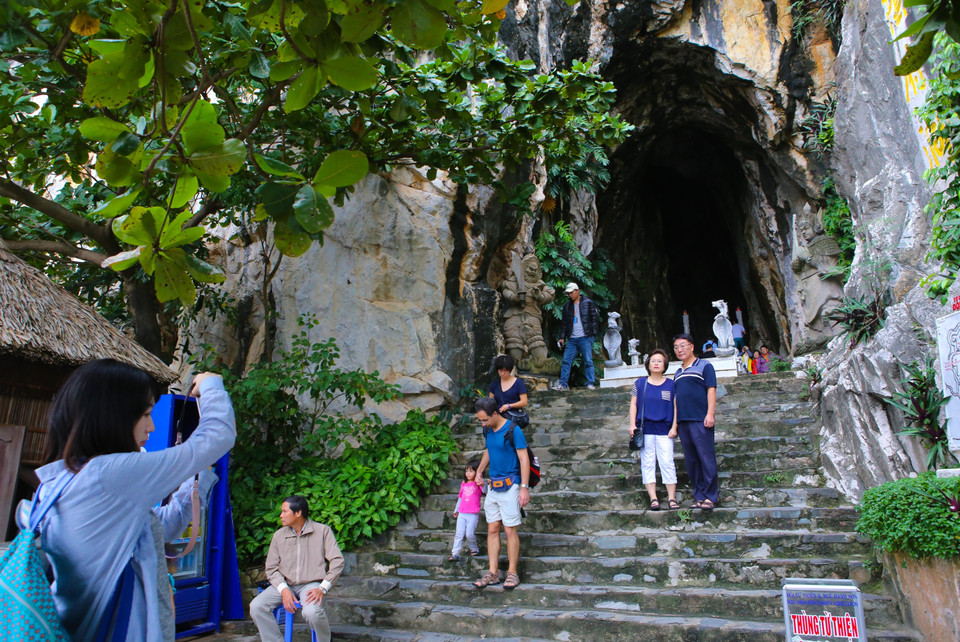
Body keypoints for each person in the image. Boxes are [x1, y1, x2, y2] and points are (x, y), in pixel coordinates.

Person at [25, 359, 235, 641]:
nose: (151, 427)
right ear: (113, 415)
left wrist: (196, 478)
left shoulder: (66, 477)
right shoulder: (109, 474)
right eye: (146, 414)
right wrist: (211, 383)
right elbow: (218, 435)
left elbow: (162, 528)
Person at [250, 495, 345, 642]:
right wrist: (284, 590)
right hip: (284, 584)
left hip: (311, 585)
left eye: (284, 511)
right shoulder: (279, 536)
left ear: (298, 513)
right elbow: (271, 568)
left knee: (312, 613)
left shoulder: (322, 531)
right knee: (257, 606)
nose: (281, 515)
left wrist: (323, 588)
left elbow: (337, 561)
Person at [472, 397, 530, 590]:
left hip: (511, 485)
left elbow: (524, 459)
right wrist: (480, 471)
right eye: (480, 420)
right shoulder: (488, 430)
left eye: (485, 420)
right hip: (493, 486)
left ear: (495, 413)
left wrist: (524, 487)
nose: (483, 423)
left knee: (510, 530)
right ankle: (493, 572)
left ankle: (512, 573)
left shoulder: (514, 430)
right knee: (492, 529)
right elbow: (489, 450)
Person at [672, 333, 719, 511]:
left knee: (706, 458)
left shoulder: (705, 366)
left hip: (700, 418)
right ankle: (699, 495)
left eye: (683, 346)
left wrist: (710, 414)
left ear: (692, 347)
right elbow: (676, 399)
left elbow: (711, 390)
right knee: (692, 461)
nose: (679, 350)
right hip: (683, 421)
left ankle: (711, 496)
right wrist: (675, 424)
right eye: (676, 347)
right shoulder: (677, 373)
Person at [628, 349, 679, 510]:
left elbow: (676, 407)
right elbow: (633, 405)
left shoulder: (671, 385)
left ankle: (672, 498)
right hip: (646, 429)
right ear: (648, 364)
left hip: (665, 429)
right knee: (648, 463)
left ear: (665, 365)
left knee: (667, 462)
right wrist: (632, 424)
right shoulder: (640, 383)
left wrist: (674, 427)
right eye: (653, 361)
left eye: (660, 361)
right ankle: (653, 498)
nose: (656, 363)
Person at [551, 282, 601, 391]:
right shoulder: (567, 306)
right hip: (572, 339)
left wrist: (592, 334)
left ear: (577, 291)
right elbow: (564, 323)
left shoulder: (588, 303)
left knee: (588, 360)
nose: (570, 295)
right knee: (566, 361)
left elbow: (594, 319)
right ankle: (563, 385)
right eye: (568, 293)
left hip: (585, 337)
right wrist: (562, 337)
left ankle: (590, 383)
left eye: (571, 292)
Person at [448, 459, 483, 561]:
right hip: (462, 513)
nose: (468, 473)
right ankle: (455, 553)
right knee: (459, 534)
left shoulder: (478, 484)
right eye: (467, 470)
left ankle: (474, 549)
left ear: (477, 471)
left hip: (472, 514)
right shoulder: (463, 483)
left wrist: (481, 483)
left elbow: (485, 490)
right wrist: (456, 509)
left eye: (471, 471)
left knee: (469, 534)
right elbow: (460, 497)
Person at [488, 354, 528, 424]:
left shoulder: (519, 383)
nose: (503, 373)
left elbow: (524, 402)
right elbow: (490, 401)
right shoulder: (494, 384)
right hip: (498, 418)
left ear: (510, 370)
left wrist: (509, 406)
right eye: (500, 370)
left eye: (505, 370)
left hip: (512, 418)